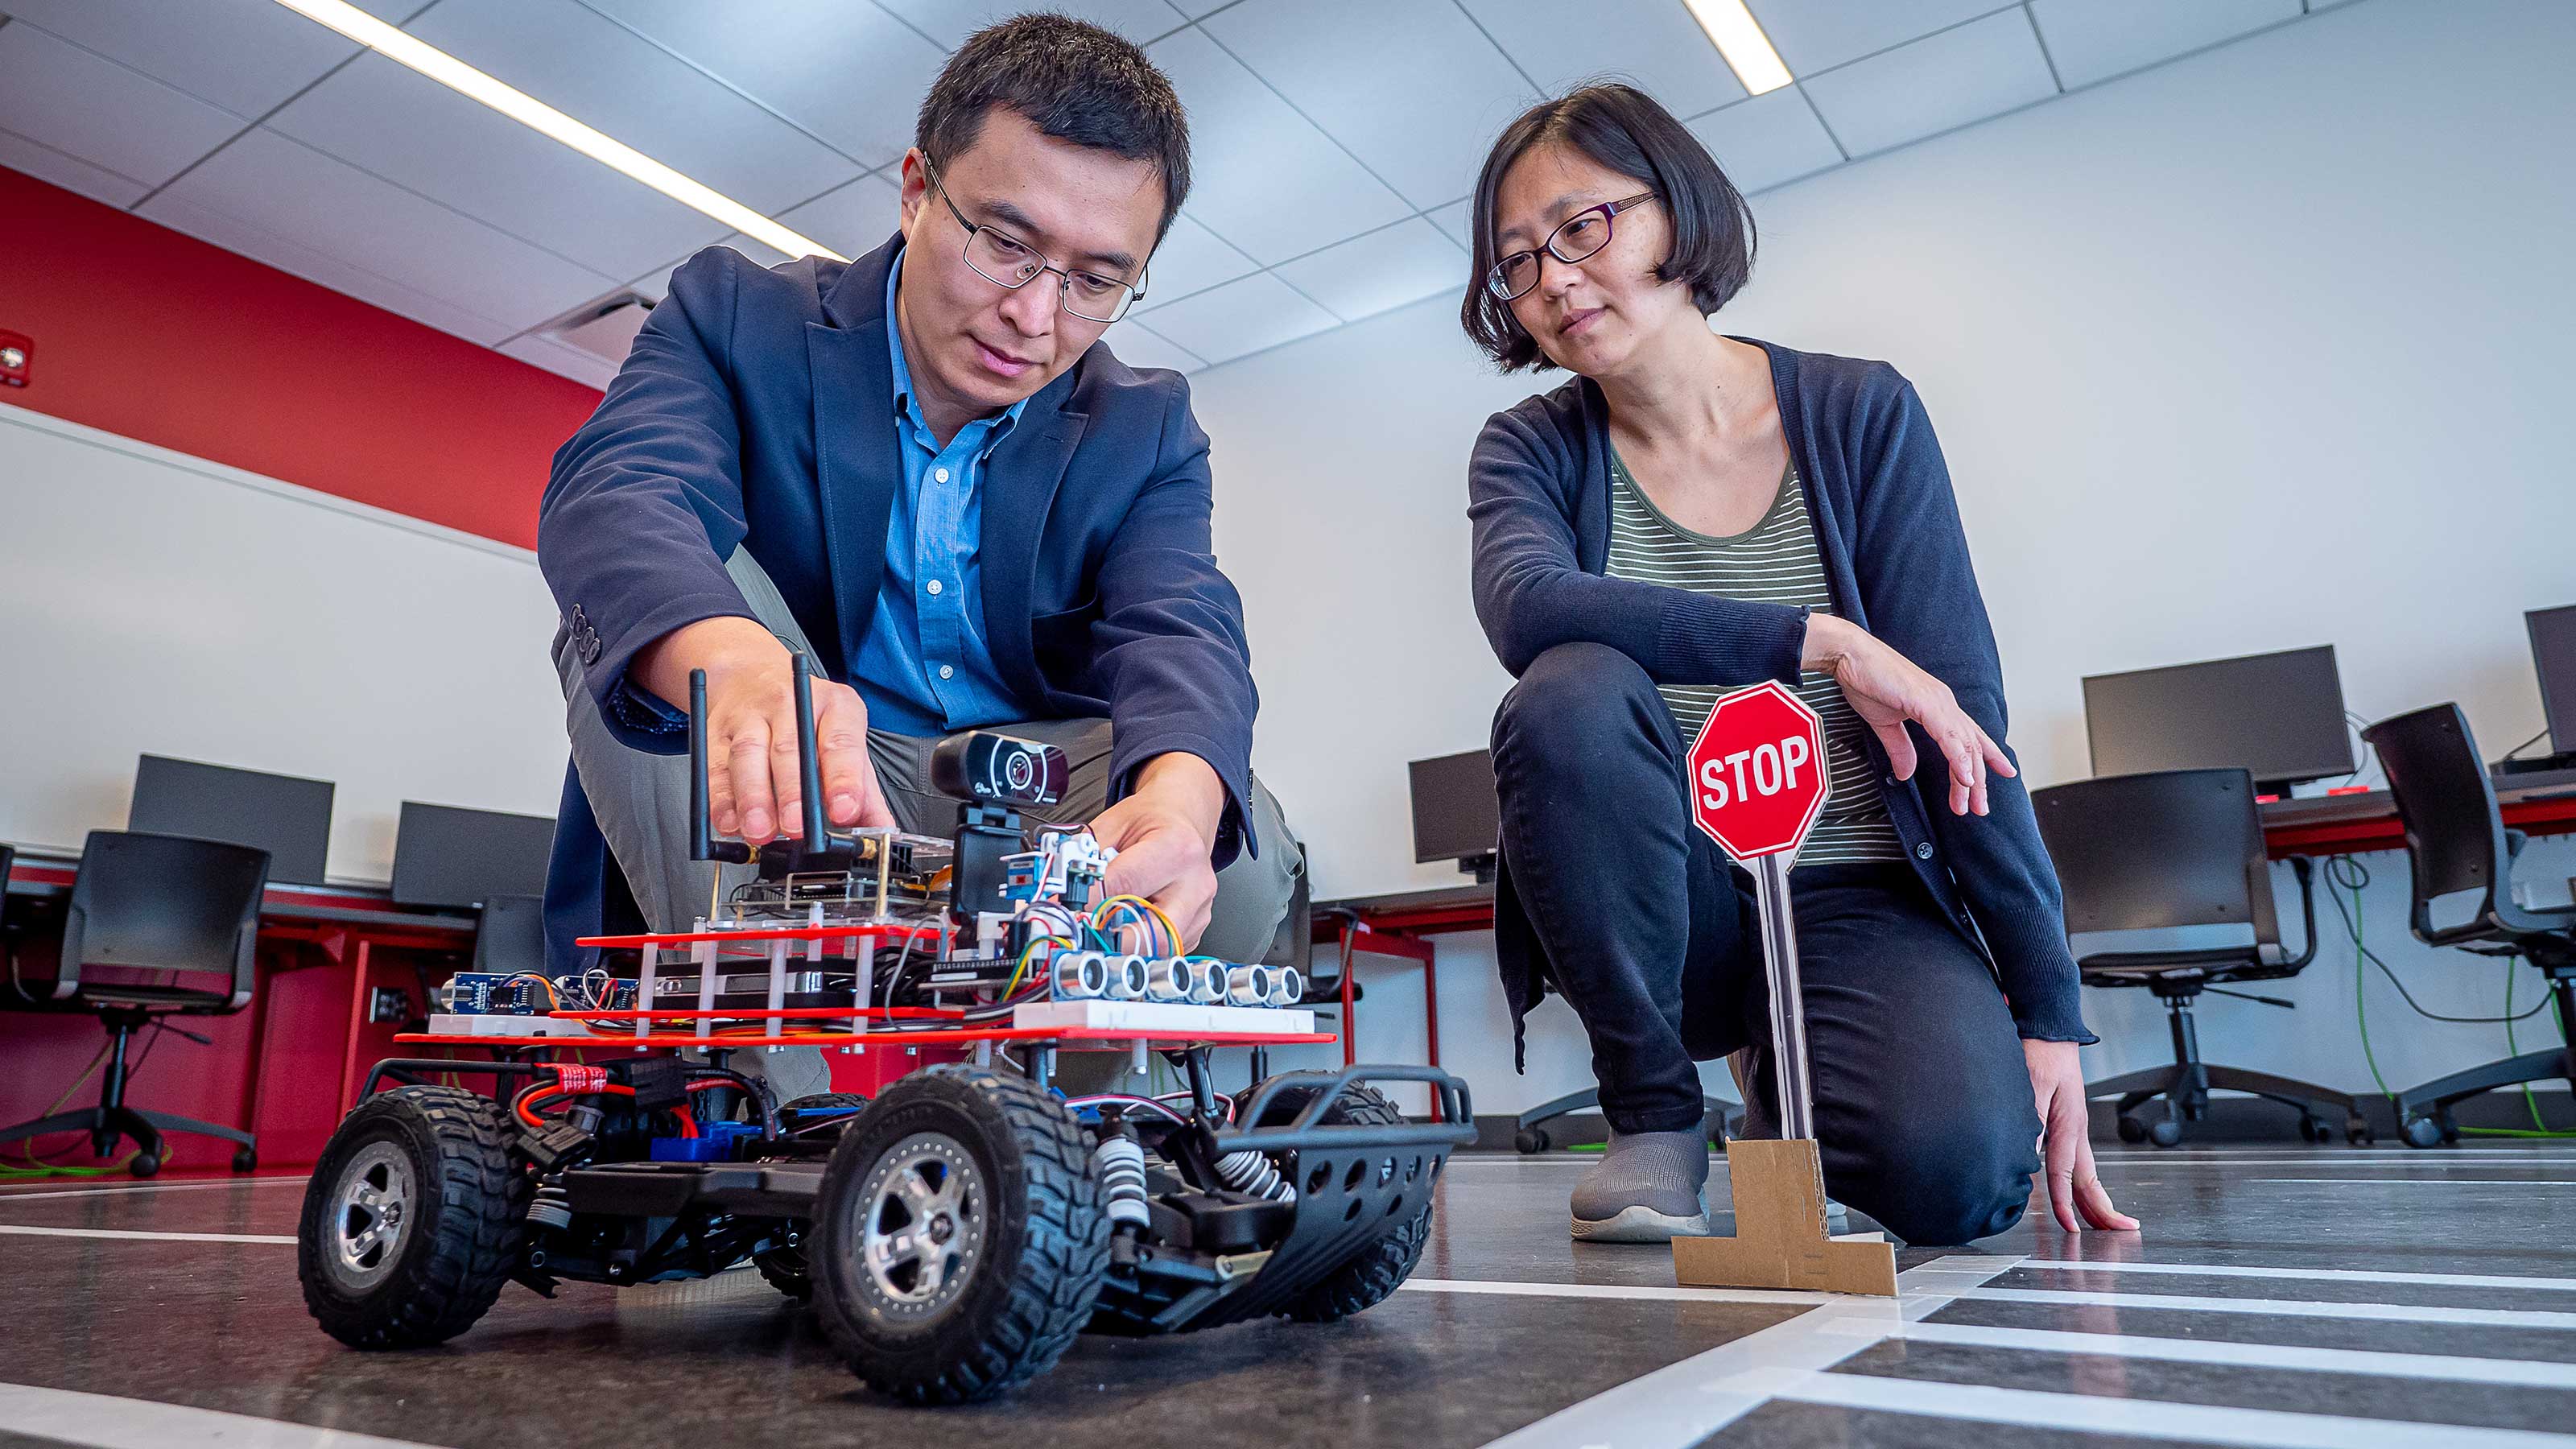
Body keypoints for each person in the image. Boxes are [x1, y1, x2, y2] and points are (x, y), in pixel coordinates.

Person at [536, 14, 1298, 1098]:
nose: (1036, 314)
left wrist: (1180, 806)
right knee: (667, 607)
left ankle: (1071, 1146)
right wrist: (742, 671)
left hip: (1031, 796)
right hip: (816, 769)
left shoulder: (1149, 426)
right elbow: (621, 496)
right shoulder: (734, 315)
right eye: (1005, 241)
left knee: (1239, 833)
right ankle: (769, 1115)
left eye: (1095, 279)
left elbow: (1182, 625)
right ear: (914, 189)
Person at [1459, 85, 2136, 1245]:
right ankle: (1658, 1119)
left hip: (1850, 892)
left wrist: (2049, 1003)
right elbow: (1528, 607)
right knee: (1565, 690)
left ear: (1674, 213)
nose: (1555, 280)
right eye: (1517, 262)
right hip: (1676, 907)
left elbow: (1958, 718)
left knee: (1959, 1181)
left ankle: (1796, 1064)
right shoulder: (1532, 447)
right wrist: (1812, 639)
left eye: (1583, 228)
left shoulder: (1860, 414)